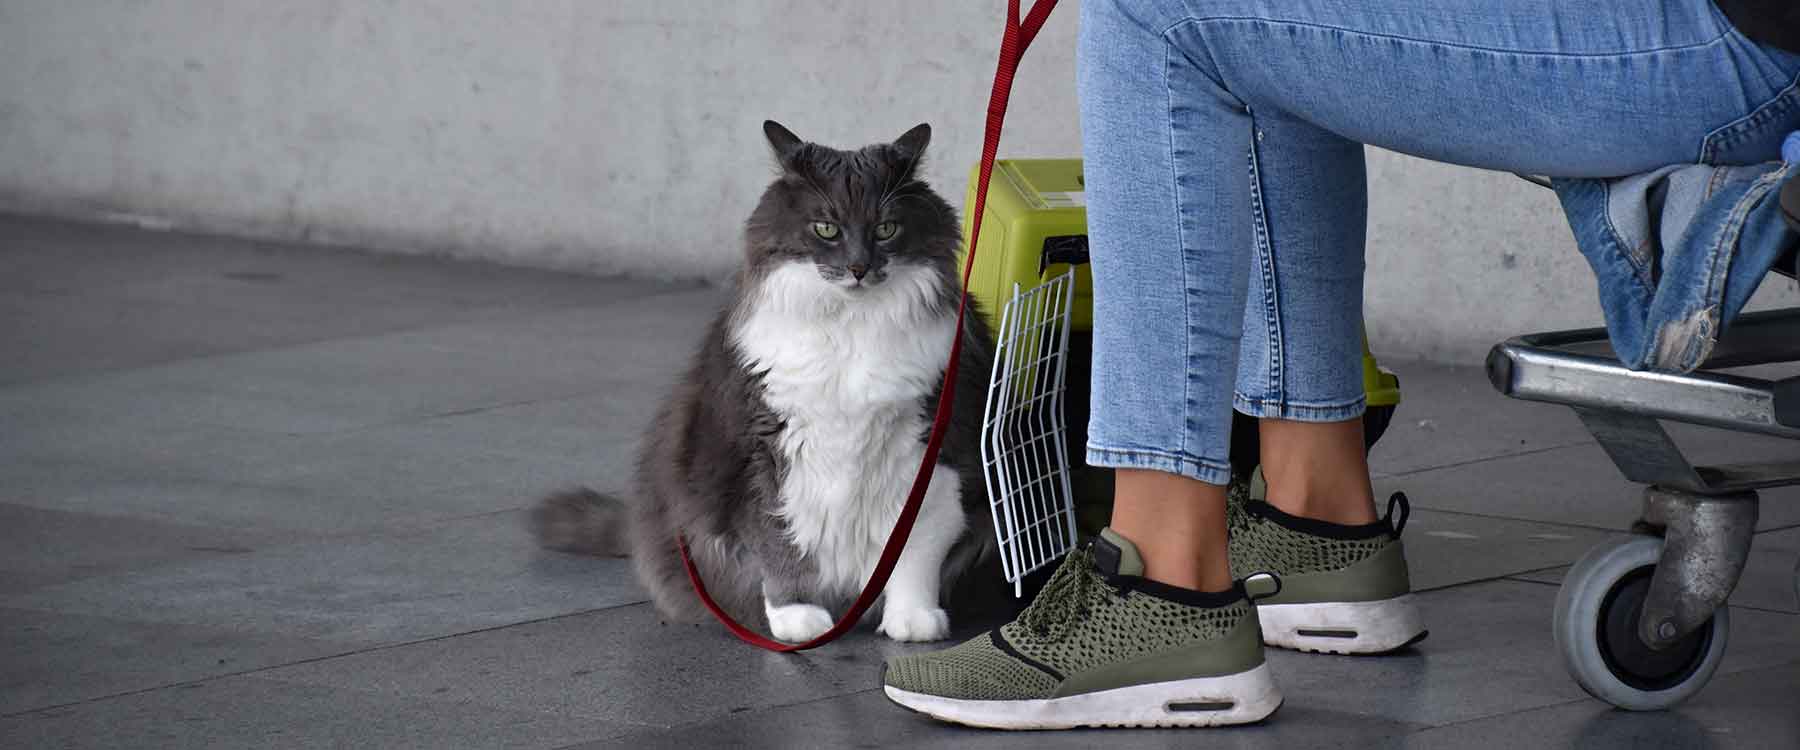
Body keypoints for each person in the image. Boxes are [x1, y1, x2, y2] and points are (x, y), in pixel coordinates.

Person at [880, 0, 1800, 730]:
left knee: (1155, 12)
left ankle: (1160, 584)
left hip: (1736, 46)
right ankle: (1315, 521)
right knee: (1253, 26)